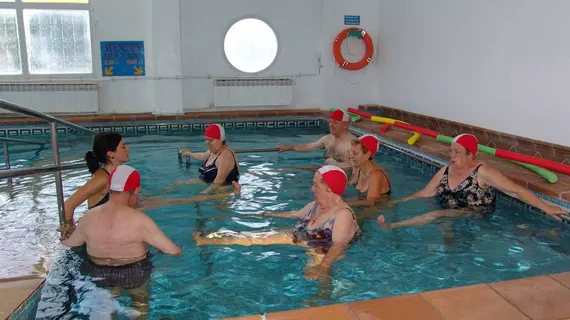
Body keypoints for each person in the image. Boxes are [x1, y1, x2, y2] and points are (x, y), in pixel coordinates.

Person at [192, 165, 359, 280]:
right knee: (253, 237)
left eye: (316, 185)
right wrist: (264, 214)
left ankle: (322, 304)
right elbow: (293, 214)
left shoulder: (342, 214)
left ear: (330, 189)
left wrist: (322, 267)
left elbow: (339, 246)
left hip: (321, 249)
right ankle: (207, 239)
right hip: (299, 237)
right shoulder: (315, 205)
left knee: (317, 272)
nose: (312, 189)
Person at [62, 165, 182, 319]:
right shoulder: (141, 220)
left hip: (98, 270)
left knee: (106, 306)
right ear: (136, 190)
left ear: (109, 188)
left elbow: (70, 244)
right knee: (139, 304)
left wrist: (69, 229)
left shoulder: (89, 217)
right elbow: (173, 251)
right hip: (134, 271)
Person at [377, 134, 569, 229]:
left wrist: (546, 207)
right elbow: (427, 192)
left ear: (471, 155)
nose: (451, 156)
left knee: (437, 215)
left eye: (457, 153)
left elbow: (516, 191)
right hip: (452, 215)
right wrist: (397, 202)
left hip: (477, 215)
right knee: (443, 220)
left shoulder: (482, 172)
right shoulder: (445, 169)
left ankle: (393, 227)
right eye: (451, 151)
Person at [61, 132, 129, 231]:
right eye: (123, 147)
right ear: (111, 154)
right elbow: (68, 206)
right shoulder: (102, 179)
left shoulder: (117, 175)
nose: (128, 149)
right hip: (97, 238)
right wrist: (70, 229)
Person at [276, 109, 356, 170]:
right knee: (290, 170)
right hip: (325, 170)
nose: (331, 125)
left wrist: (330, 163)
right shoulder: (328, 138)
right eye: (330, 122)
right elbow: (309, 146)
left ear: (345, 125)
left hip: (339, 177)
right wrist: (288, 148)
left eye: (335, 123)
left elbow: (355, 169)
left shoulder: (352, 144)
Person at [174, 124, 240, 195]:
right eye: (206, 139)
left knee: (188, 200)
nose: (207, 142)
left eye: (211, 140)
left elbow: (220, 180)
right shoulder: (213, 151)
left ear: (221, 140)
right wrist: (189, 153)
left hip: (223, 191)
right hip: (209, 184)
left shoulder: (225, 155)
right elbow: (203, 156)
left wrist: (205, 192)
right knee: (177, 184)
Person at [348, 134, 391, 203]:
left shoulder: (376, 175)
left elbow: (371, 203)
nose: (350, 156)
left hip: (378, 210)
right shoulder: (359, 169)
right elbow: (349, 184)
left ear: (368, 154)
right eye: (350, 152)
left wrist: (347, 204)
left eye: (355, 153)